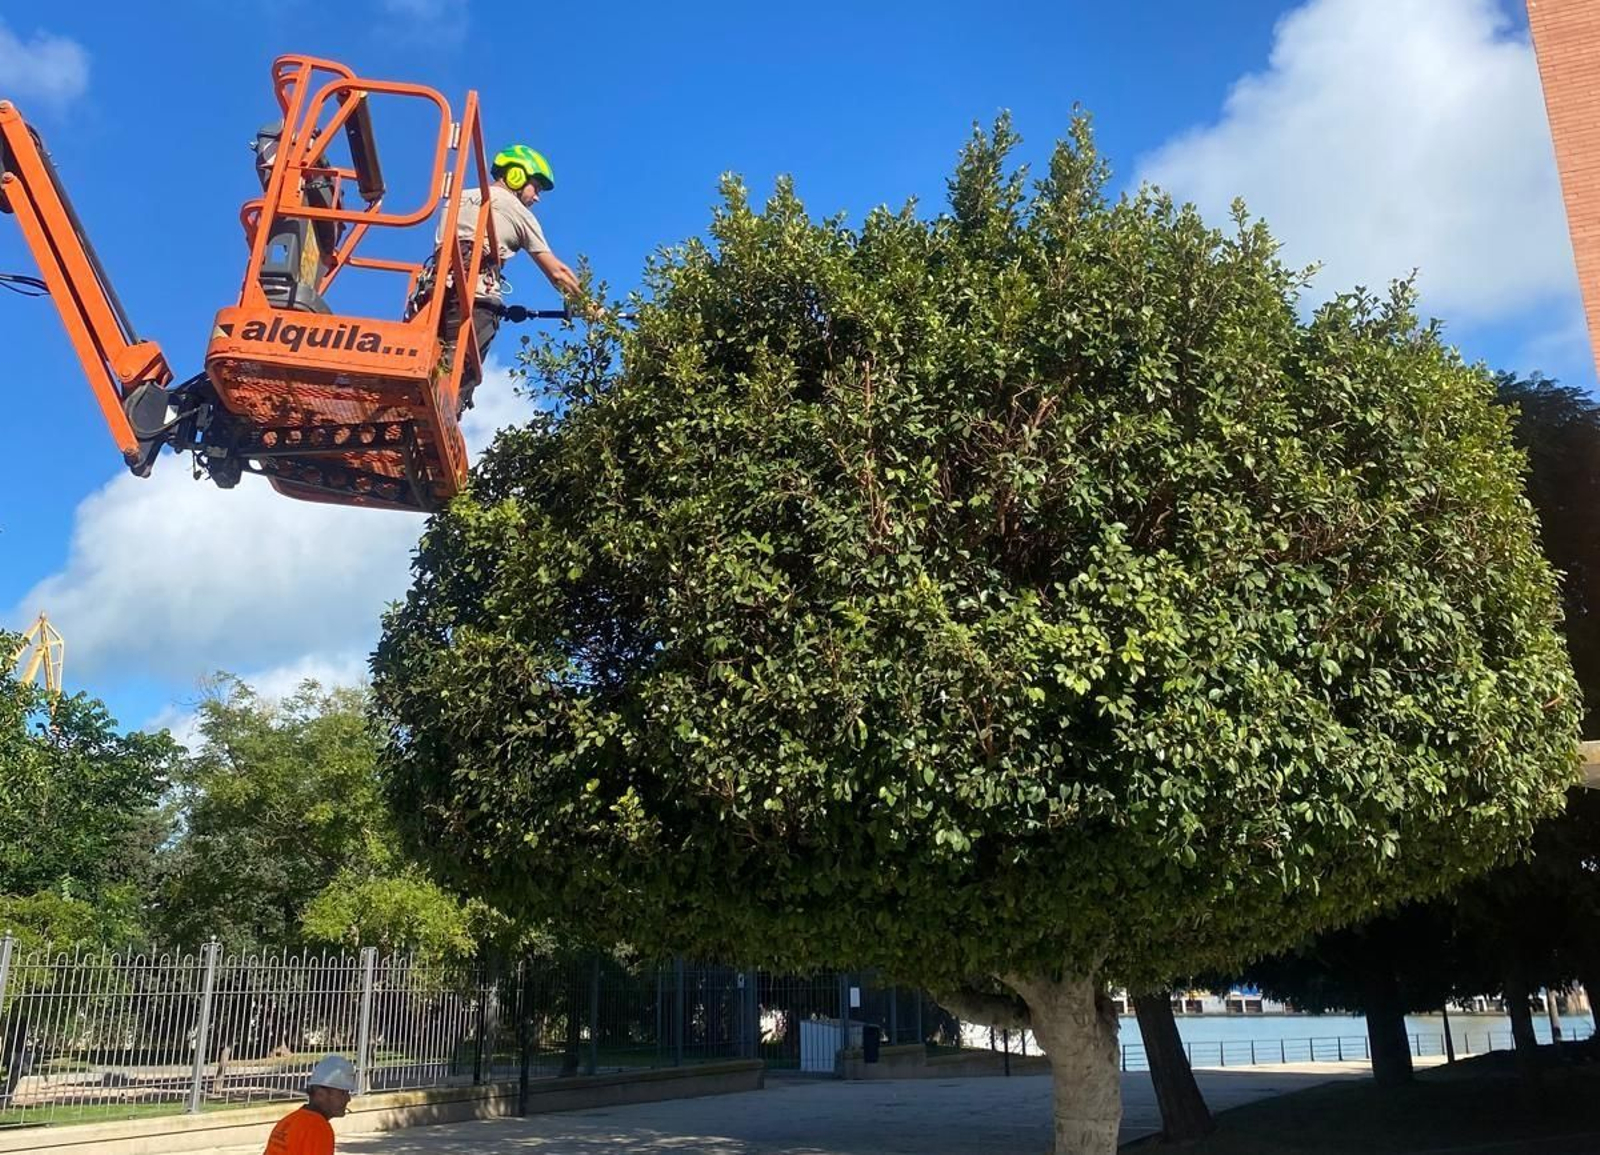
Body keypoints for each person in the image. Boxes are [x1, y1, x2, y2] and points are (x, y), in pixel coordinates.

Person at [426, 143, 586, 411]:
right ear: (516, 175)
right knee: (457, 381)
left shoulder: (457, 197)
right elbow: (558, 273)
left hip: (433, 293)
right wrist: (591, 306)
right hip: (476, 299)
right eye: (536, 187)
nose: (537, 198)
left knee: (428, 363)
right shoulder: (515, 209)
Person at [262, 1054, 358, 1155]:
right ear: (321, 1094)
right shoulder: (318, 1128)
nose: (348, 1099)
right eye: (343, 1093)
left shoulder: (287, 1122)